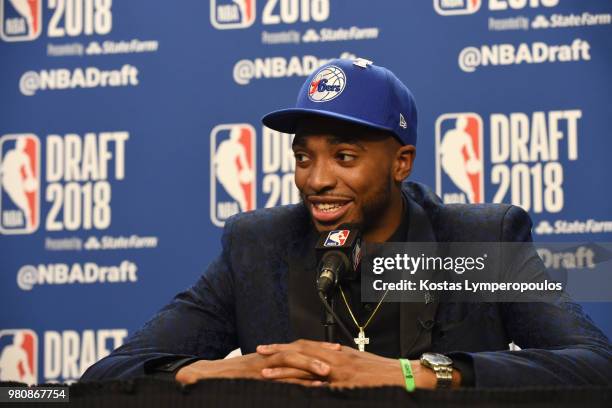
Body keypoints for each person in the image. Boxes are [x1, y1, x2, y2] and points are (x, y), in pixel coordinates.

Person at [81, 58, 611, 389]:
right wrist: (215, 370)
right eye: (304, 157)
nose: (317, 179)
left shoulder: (473, 244)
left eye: (345, 156)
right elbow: (108, 375)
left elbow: (595, 366)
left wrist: (420, 374)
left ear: (401, 162)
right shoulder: (258, 246)